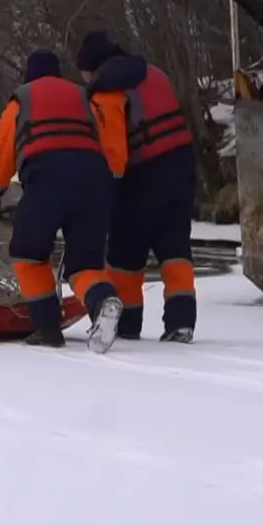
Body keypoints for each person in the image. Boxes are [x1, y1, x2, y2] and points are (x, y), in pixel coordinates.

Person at [0, 49, 124, 351]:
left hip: (47, 180)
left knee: (27, 252)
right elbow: (111, 148)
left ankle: (47, 329)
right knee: (85, 264)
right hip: (95, 182)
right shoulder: (85, 99)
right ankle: (102, 301)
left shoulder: (23, 100)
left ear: (29, 75)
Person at [76, 30, 197, 343]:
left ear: (92, 67)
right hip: (182, 165)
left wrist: (106, 195)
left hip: (142, 174)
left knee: (124, 253)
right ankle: (181, 322)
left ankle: (127, 326)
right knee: (175, 247)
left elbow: (115, 153)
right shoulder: (152, 72)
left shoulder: (107, 91)